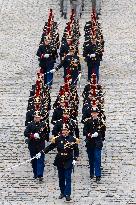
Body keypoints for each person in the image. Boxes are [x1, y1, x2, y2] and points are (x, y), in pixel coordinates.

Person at [36, 125, 79, 201]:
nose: (64, 131)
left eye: (65, 130)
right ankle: (62, 192)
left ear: (68, 131)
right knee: (61, 178)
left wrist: (75, 159)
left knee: (68, 177)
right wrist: (41, 152)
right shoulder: (57, 139)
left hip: (68, 160)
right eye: (63, 130)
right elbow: (50, 147)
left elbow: (76, 150)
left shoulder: (73, 139)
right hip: (60, 160)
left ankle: (68, 194)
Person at [24, 112, 50, 181]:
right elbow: (25, 133)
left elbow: (46, 134)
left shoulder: (44, 125)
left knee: (40, 159)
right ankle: (35, 174)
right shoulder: (30, 124)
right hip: (32, 145)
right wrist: (32, 135)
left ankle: (40, 175)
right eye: (36, 117)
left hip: (40, 145)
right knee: (34, 160)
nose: (37, 118)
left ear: (41, 118)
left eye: (38, 117)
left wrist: (40, 136)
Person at [83, 107, 103, 182]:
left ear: (97, 113)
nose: (94, 114)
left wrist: (99, 135)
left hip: (97, 143)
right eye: (93, 113)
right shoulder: (88, 121)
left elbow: (103, 131)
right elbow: (84, 131)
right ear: (91, 113)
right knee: (91, 158)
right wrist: (89, 134)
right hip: (90, 142)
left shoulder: (100, 121)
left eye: (95, 113)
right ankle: (92, 172)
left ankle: (98, 175)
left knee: (97, 158)